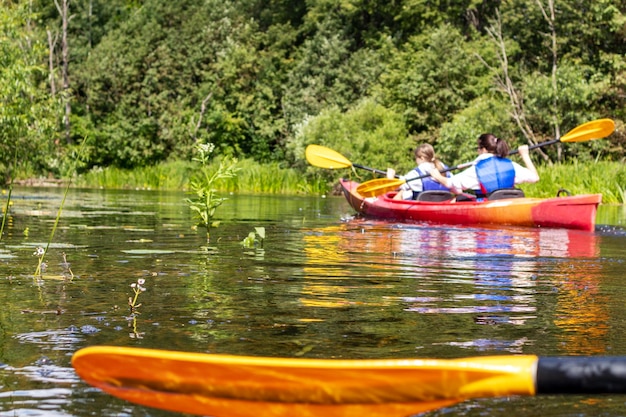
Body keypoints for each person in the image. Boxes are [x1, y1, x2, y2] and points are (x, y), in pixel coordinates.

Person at [429, 133, 539, 198]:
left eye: (478, 148)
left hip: (489, 206)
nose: (477, 151)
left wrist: (437, 176)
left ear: (484, 149)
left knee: (461, 199)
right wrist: (525, 155)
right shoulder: (511, 164)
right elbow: (535, 178)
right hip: (511, 202)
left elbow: (449, 183)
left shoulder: (476, 169)